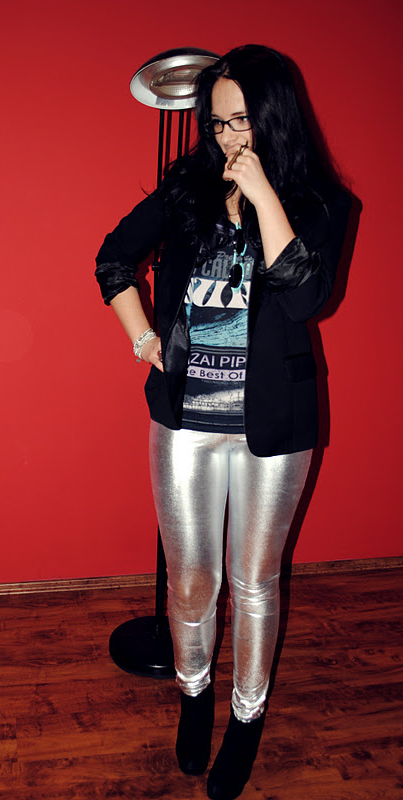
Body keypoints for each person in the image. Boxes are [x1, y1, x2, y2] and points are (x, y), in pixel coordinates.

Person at [95, 44, 351, 800]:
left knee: (255, 581)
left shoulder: (323, 204)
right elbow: (113, 259)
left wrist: (265, 195)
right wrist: (144, 340)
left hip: (275, 425)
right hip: (185, 422)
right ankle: (196, 693)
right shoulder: (188, 188)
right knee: (190, 582)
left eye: (242, 120)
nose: (228, 136)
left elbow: (306, 298)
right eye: (217, 122)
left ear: (274, 118)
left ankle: (247, 716)